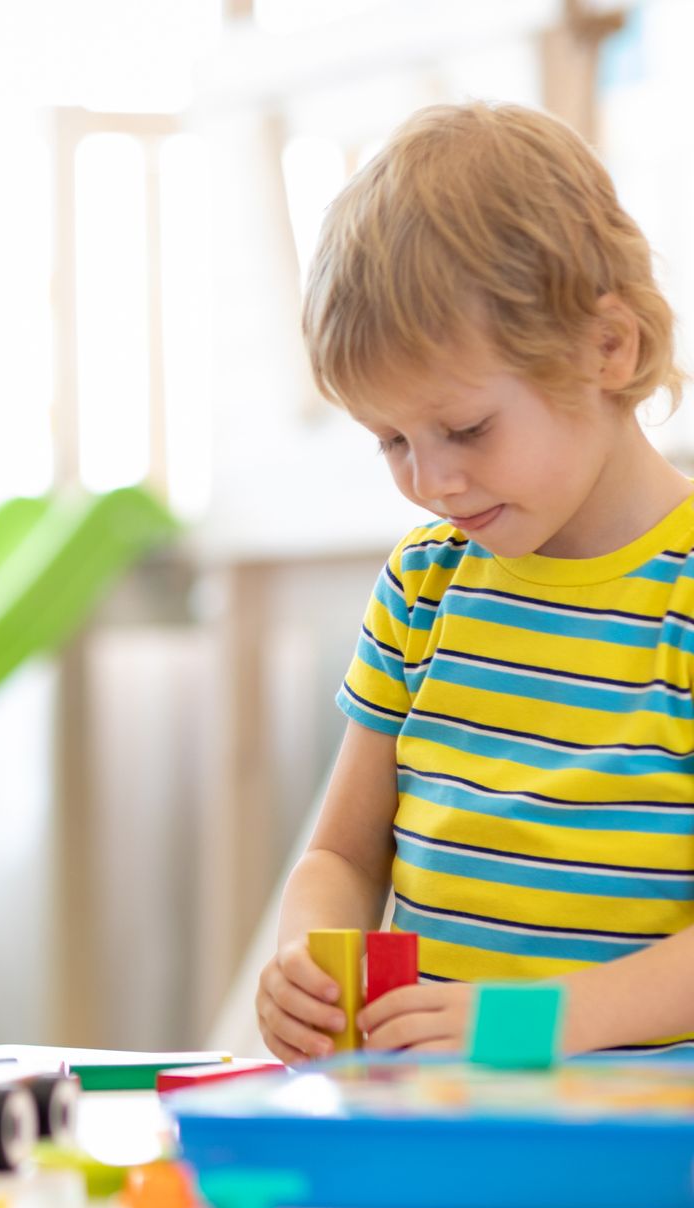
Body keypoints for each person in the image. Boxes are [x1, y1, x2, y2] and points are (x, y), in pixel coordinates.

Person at [258, 101, 694, 1061]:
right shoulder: (425, 582)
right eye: (392, 441)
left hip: (648, 1140)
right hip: (435, 1112)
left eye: (465, 429)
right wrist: (304, 958)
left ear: (606, 348)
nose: (431, 479)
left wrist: (527, 1026)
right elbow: (340, 854)